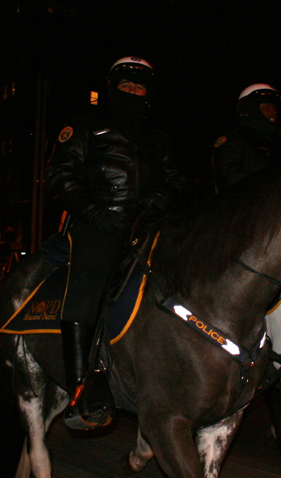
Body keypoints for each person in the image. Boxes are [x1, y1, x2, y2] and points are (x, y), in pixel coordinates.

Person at [44, 56, 183, 430]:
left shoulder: (157, 137)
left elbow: (174, 179)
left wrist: (162, 197)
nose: (134, 93)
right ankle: (79, 389)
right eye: (127, 87)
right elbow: (61, 177)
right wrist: (95, 212)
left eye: (141, 88)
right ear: (112, 89)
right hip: (99, 223)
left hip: (148, 225)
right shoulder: (85, 126)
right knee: (89, 281)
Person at [212, 83, 281, 192]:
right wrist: (268, 183)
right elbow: (229, 174)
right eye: (266, 107)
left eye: (273, 107)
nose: (272, 111)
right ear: (248, 110)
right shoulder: (233, 139)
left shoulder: (279, 143)